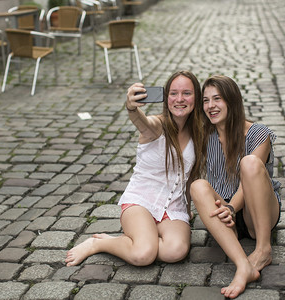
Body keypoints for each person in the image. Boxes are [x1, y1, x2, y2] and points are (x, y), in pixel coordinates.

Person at [65, 70, 203, 267]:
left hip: (173, 208)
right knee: (143, 254)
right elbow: (143, 122)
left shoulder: (198, 132)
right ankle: (99, 244)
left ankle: (138, 238)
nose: (179, 99)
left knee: (175, 252)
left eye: (187, 93)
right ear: (166, 97)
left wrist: (187, 209)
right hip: (141, 202)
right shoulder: (157, 126)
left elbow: (189, 177)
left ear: (196, 97)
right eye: (173, 93)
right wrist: (131, 108)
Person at [190, 75, 281, 299]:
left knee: (249, 163)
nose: (211, 106)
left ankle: (263, 250)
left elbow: (247, 184)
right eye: (206, 100)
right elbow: (172, 124)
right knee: (198, 186)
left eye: (217, 99)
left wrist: (231, 207)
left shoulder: (258, 133)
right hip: (227, 214)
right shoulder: (206, 135)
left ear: (232, 101)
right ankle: (243, 265)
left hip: (256, 212)